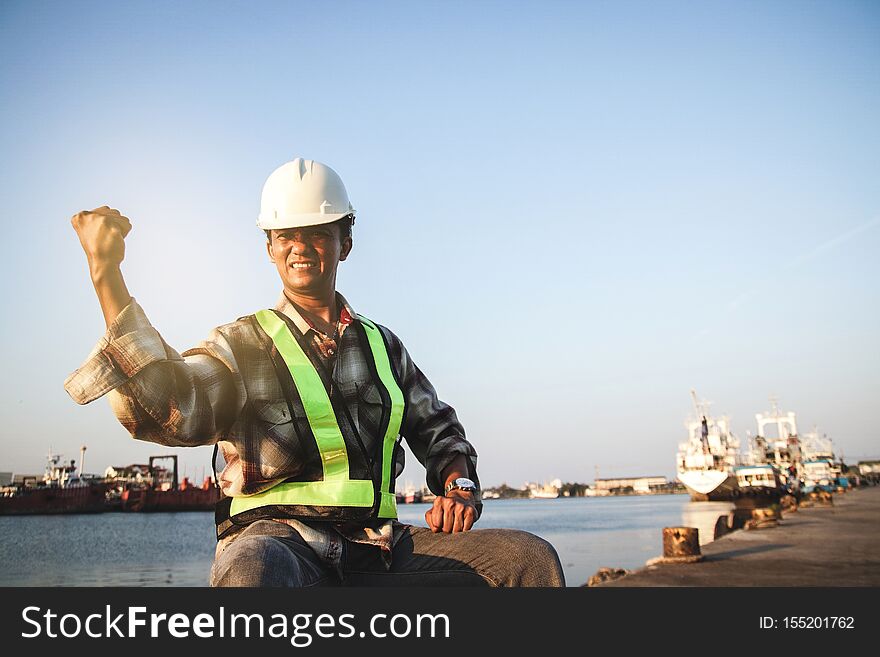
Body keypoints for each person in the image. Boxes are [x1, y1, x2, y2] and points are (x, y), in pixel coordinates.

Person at [65, 157, 565, 587]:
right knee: (250, 571)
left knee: (526, 561)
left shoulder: (382, 346)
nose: (299, 247)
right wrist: (107, 277)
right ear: (270, 248)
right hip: (277, 543)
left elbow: (439, 431)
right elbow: (172, 407)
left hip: (379, 549)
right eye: (285, 236)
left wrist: (458, 486)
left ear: (344, 243)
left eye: (316, 234)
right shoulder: (241, 344)